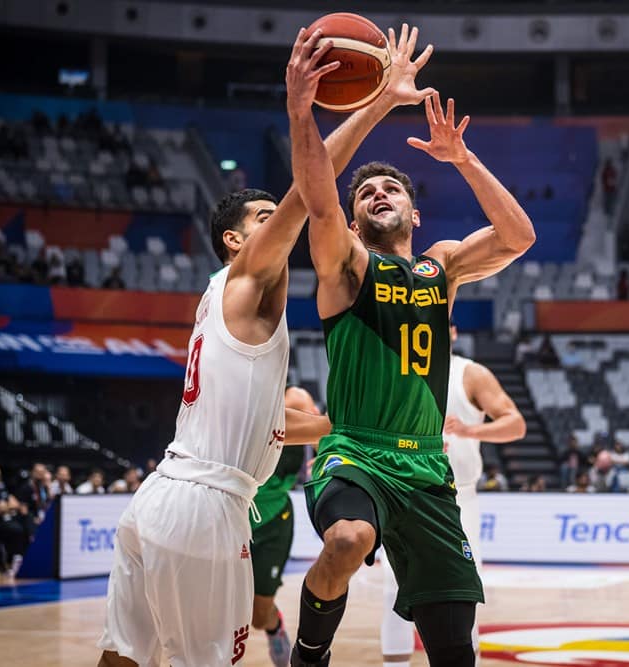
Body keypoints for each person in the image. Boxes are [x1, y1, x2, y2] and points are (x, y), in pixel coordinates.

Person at [97, 24, 418, 666]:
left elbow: (273, 427)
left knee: (125, 658)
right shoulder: (250, 278)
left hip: (161, 497)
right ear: (236, 242)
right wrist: (376, 102)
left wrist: (345, 427)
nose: (280, 228)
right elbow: (312, 188)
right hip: (204, 509)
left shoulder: (222, 301)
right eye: (263, 220)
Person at [290, 22, 535, 665]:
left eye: (390, 187)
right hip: (357, 452)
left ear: (414, 212)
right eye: (364, 192)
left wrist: (463, 159)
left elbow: (517, 237)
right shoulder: (347, 266)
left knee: (454, 646)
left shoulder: (441, 267)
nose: (377, 194)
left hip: (427, 467)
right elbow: (317, 198)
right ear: (356, 216)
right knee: (347, 540)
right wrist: (309, 109)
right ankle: (307, 656)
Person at [381, 325, 525, 666]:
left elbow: (515, 424)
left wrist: (470, 429)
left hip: (459, 496)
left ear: (454, 332)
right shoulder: (393, 369)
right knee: (393, 587)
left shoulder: (471, 374)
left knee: (464, 590)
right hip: (405, 491)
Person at [252, 386, 321, 667]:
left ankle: (274, 626)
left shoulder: (295, 398)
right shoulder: (236, 402)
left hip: (273, 520)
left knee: (258, 615)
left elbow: (324, 432)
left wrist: (328, 457)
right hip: (232, 516)